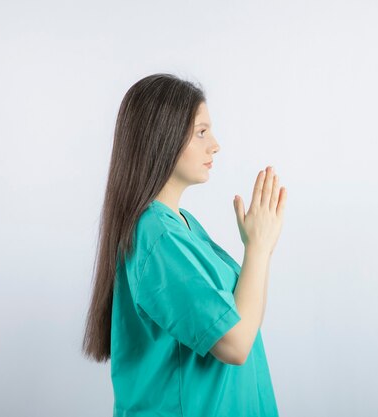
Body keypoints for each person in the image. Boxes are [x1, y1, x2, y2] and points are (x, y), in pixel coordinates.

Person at [81, 73, 287, 416]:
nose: (215, 145)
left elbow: (243, 324)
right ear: (161, 137)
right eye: (201, 132)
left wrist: (259, 247)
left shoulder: (182, 227)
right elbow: (235, 344)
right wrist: (258, 250)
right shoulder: (156, 237)